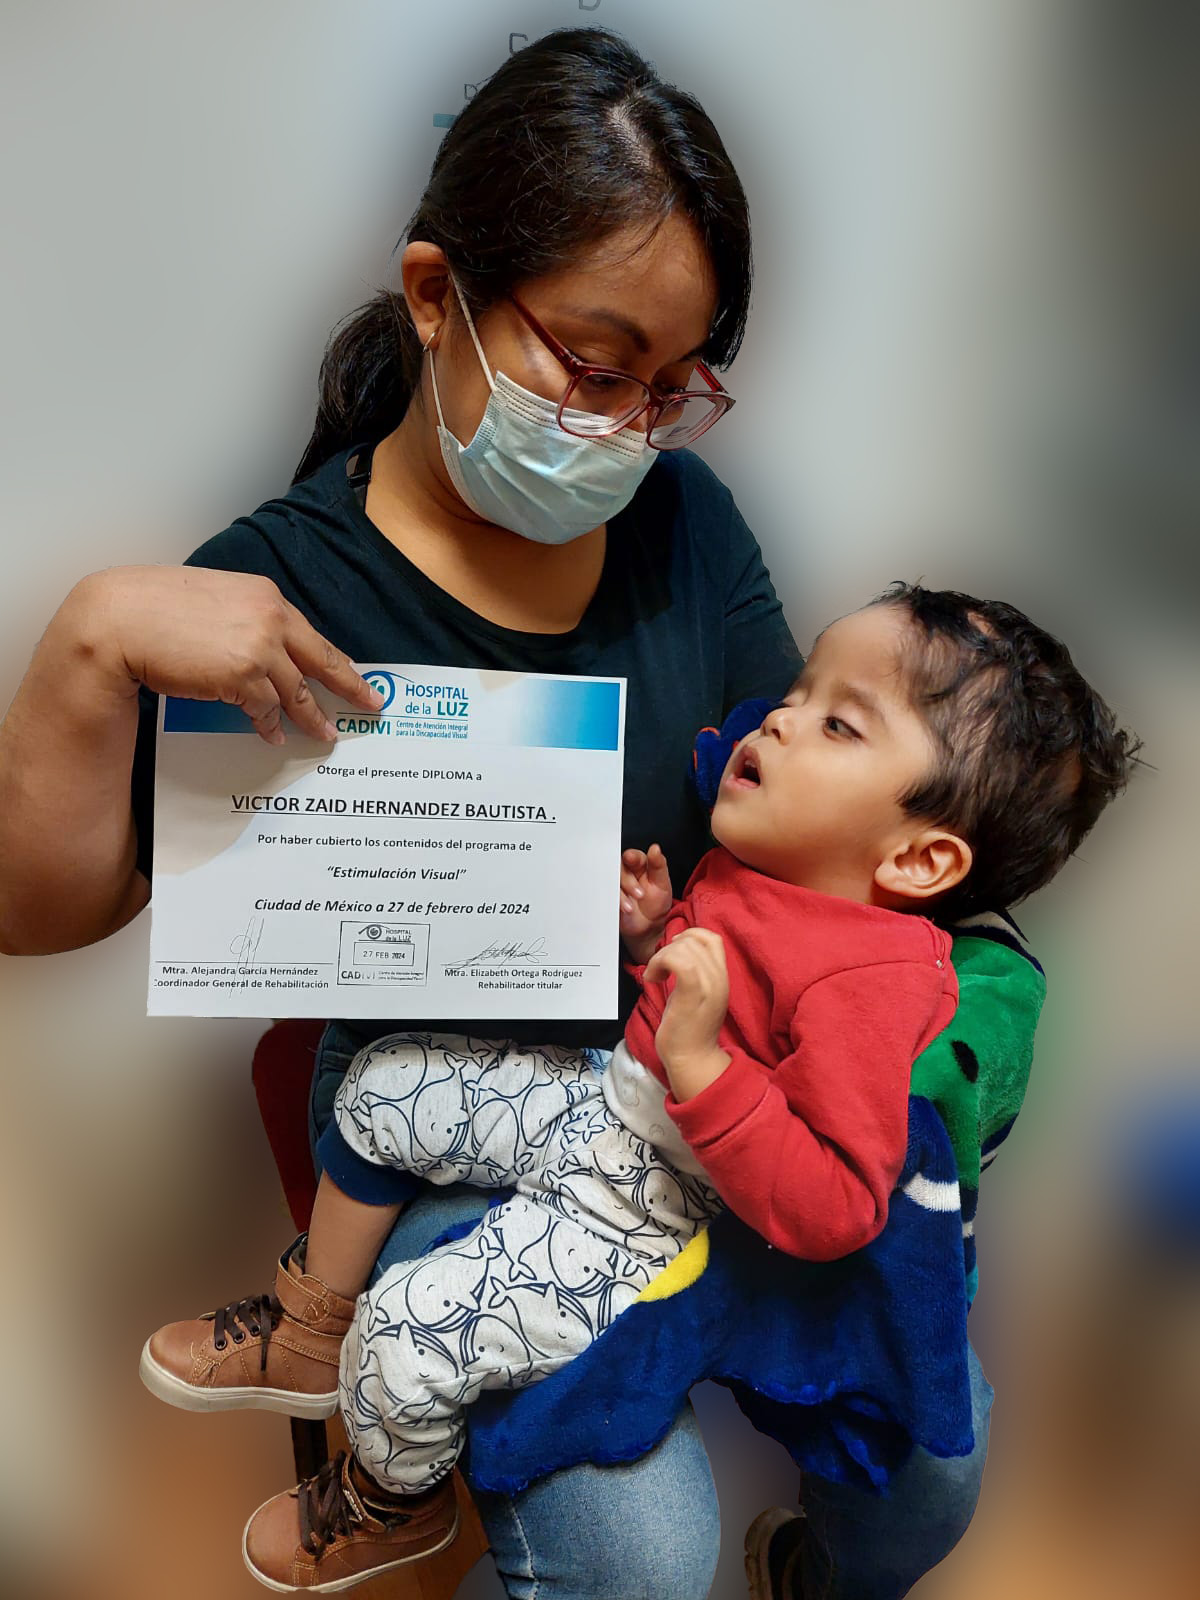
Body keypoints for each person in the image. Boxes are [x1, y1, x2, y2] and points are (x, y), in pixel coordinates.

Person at [0, 27, 1060, 1600]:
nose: (625, 424)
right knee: (636, 1554)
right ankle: (378, 1428)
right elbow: (44, 910)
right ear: (438, 297)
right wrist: (90, 645)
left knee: (937, 1461)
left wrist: (927, 1006)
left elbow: (804, 825)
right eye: (590, 358)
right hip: (447, 1131)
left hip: (695, 1091)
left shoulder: (682, 519)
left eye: (668, 384)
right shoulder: (276, 587)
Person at [140, 584, 1136, 1593]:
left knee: (407, 1333)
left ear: (921, 858)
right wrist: (657, 937)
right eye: (801, 688)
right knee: (382, 1086)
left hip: (656, 1215)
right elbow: (726, 994)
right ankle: (308, 1325)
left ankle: (397, 1497)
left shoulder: (874, 989)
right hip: (610, 1105)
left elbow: (838, 1202)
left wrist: (704, 1063)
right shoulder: (774, 864)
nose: (780, 717)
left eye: (838, 722)